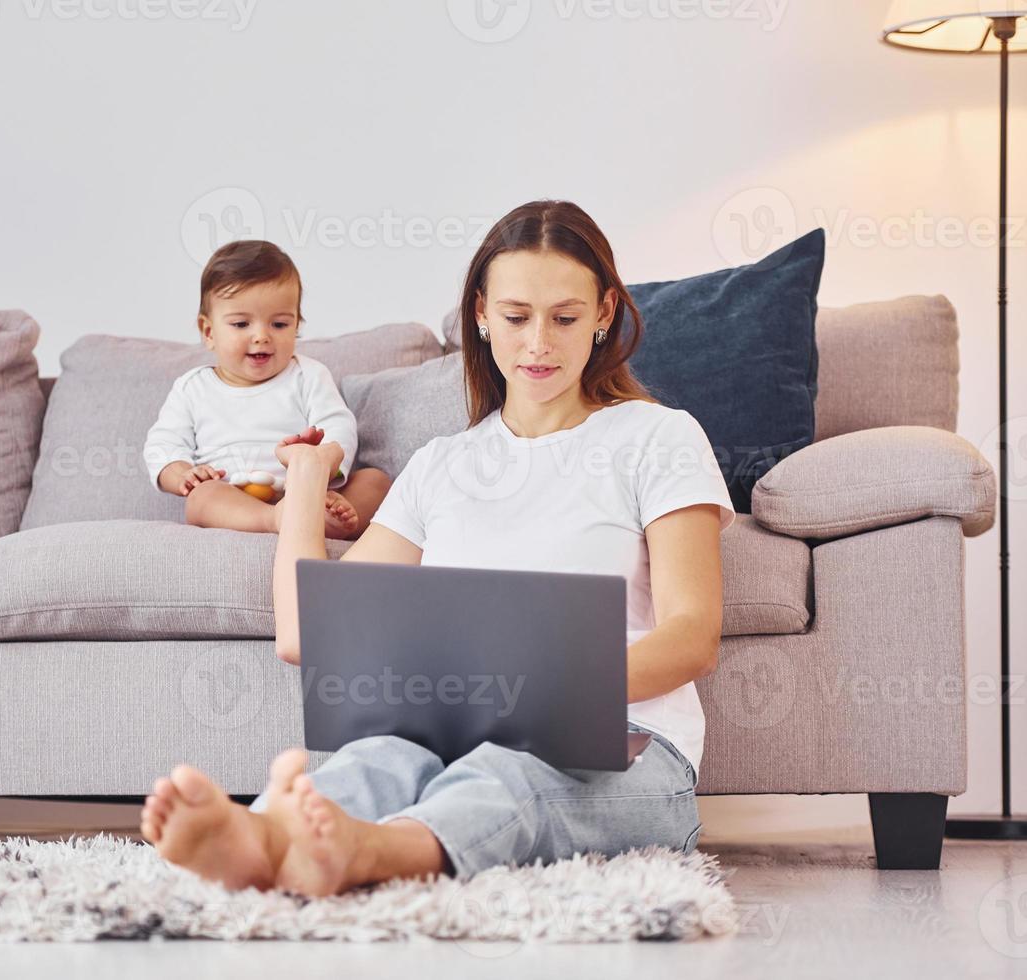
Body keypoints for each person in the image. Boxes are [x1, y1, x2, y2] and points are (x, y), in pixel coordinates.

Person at [140, 200, 736, 896]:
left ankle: (358, 853)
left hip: (626, 745)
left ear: (604, 314)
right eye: (516, 317)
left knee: (505, 780)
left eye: (565, 317)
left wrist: (545, 693)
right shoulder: (442, 465)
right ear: (480, 315)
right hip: (457, 734)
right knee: (379, 761)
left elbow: (692, 635)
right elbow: (312, 632)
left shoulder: (657, 438)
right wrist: (304, 482)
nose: (539, 342)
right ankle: (263, 838)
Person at [143, 239, 391, 539]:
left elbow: (338, 424)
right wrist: (181, 472)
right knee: (201, 499)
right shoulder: (192, 389)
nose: (261, 336)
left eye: (279, 325)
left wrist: (325, 460)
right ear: (209, 332)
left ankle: (327, 514)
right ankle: (277, 518)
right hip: (234, 495)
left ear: (297, 325)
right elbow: (163, 444)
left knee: (375, 481)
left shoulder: (308, 375)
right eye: (241, 324)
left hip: (305, 489)